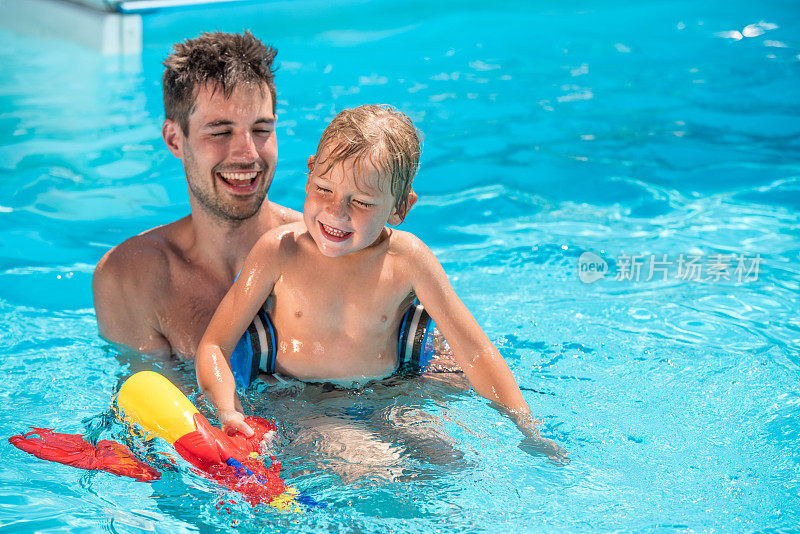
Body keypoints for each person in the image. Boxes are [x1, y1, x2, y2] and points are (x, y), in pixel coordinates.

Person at [195, 105, 565, 459]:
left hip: (395, 392)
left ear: (400, 207)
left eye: (363, 203)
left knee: (449, 459)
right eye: (324, 189)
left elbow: (476, 351)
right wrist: (229, 412)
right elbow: (214, 345)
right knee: (371, 464)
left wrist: (526, 427)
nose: (336, 212)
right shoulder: (279, 253)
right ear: (310, 172)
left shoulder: (408, 261)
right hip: (303, 400)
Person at [92, 32, 300, 359]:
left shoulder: (329, 249)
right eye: (220, 132)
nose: (248, 154)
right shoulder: (131, 278)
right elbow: (148, 402)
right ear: (175, 140)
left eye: (261, 130)